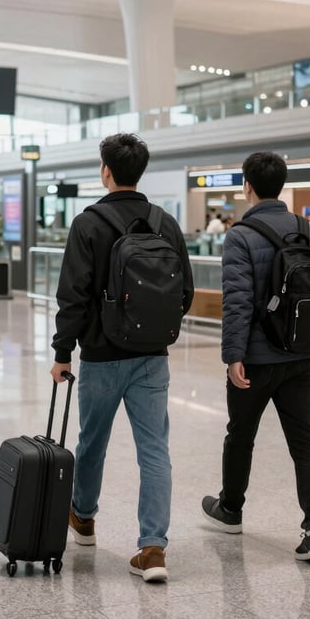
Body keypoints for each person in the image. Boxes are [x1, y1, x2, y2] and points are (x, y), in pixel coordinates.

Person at [50, 133, 194, 584]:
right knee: (155, 451)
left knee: (92, 442)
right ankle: (153, 549)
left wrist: (62, 352)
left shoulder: (88, 223)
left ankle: (85, 518)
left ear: (106, 171)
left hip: (101, 354)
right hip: (153, 356)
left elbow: (72, 296)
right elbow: (184, 292)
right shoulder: (164, 222)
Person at [201, 151, 310, 563]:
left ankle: (231, 508)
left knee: (240, 434)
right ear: (283, 184)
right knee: (305, 439)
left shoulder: (240, 234)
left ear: (247, 186)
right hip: (301, 354)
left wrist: (233, 354)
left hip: (256, 359)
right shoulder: (309, 231)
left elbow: (237, 301)